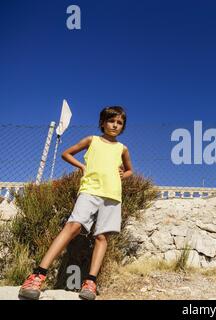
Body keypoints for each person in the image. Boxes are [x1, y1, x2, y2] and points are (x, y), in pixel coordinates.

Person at [19, 106, 133, 300]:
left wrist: (125, 174)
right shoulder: (92, 140)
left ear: (123, 126)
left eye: (119, 122)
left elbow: (130, 171)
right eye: (111, 121)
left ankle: (90, 282)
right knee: (72, 226)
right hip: (89, 190)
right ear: (103, 123)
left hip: (112, 195)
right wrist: (82, 166)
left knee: (102, 237)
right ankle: (37, 275)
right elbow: (66, 153)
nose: (115, 125)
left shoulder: (123, 148)